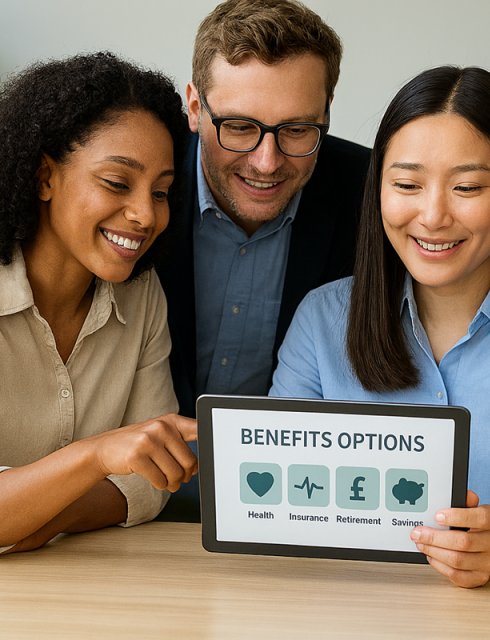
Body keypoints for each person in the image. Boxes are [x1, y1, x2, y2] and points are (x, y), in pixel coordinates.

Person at [270, 66, 490, 587]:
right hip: (343, 601)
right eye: (407, 184)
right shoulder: (322, 318)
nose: (433, 216)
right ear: (379, 191)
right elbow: (278, 481)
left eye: (467, 186)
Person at [0, 52, 198, 557]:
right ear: (45, 177)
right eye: (117, 183)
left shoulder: (141, 297)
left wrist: (42, 520)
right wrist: (94, 458)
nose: (145, 214)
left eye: (161, 192)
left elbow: (151, 480)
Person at [157, 0, 370, 522]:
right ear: (193, 106)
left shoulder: (375, 194)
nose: (267, 161)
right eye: (239, 126)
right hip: (134, 507)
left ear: (327, 109)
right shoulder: (140, 181)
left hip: (294, 510)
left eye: (297, 130)